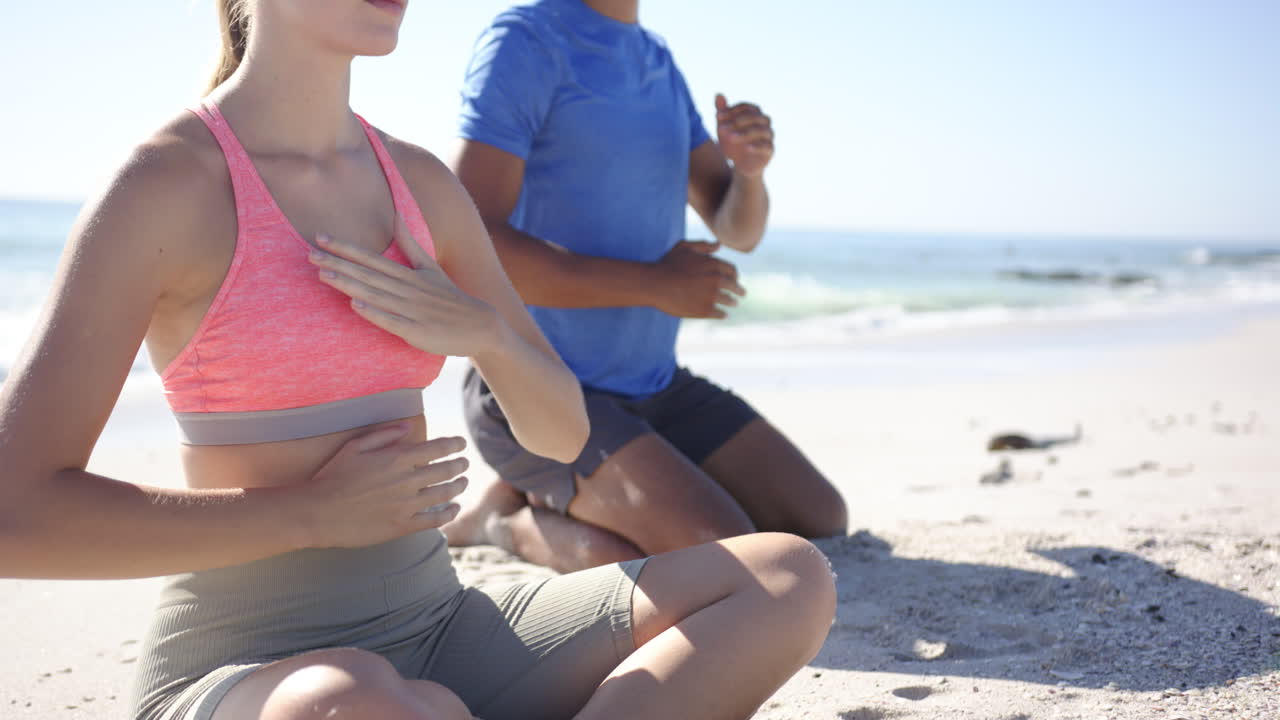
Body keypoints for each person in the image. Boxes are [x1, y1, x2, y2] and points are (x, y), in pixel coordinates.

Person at [0, 1, 835, 719]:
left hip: (442, 630)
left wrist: (481, 331)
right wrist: (311, 514)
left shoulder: (420, 184)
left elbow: (558, 429)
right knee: (356, 696)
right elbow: (15, 518)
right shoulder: (166, 185)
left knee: (786, 576)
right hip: (251, 668)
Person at [444, 0, 849, 573]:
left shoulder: (655, 58)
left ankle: (556, 490)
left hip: (656, 388)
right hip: (536, 391)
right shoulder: (525, 40)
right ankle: (503, 522)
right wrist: (655, 284)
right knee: (726, 552)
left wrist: (750, 173)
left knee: (819, 518)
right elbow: (471, 240)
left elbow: (737, 227)